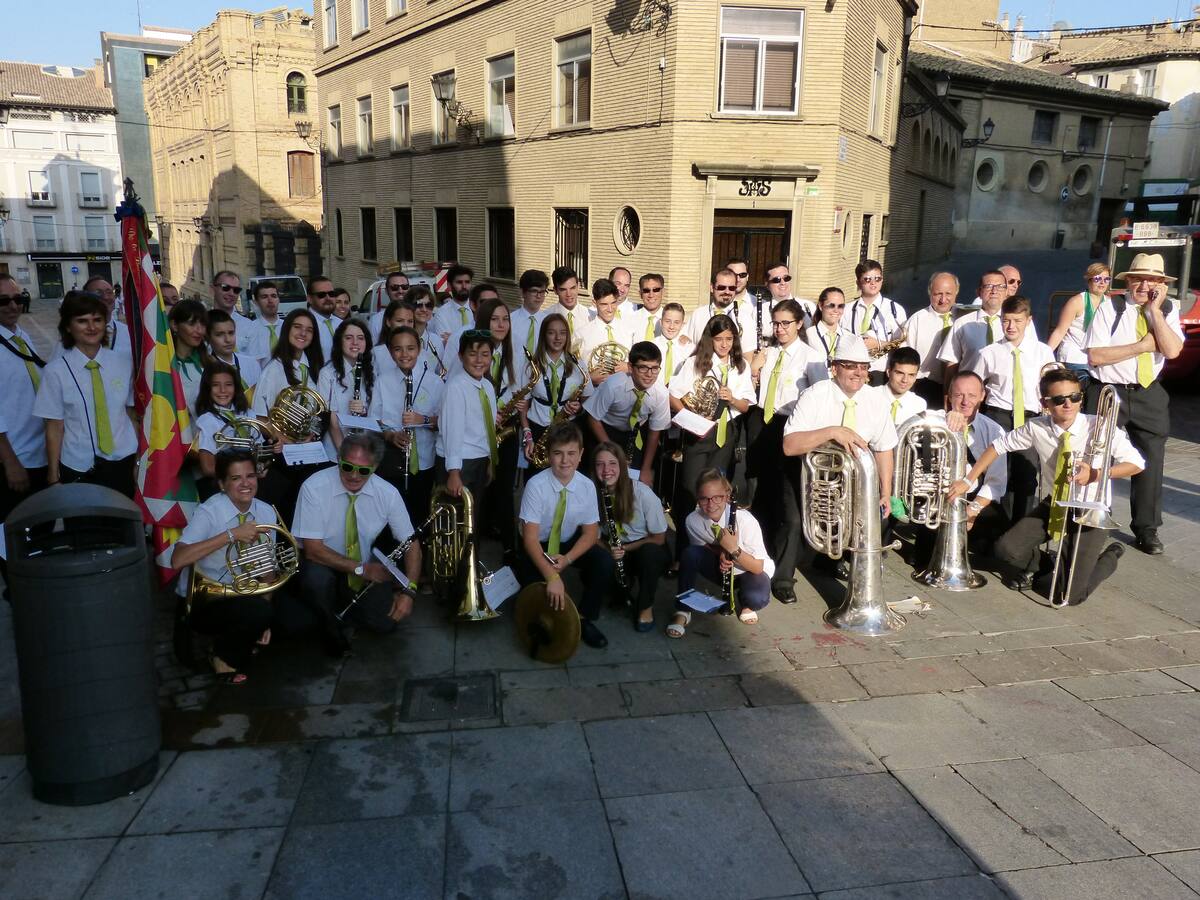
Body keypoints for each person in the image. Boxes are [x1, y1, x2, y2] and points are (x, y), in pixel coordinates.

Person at [948, 368, 1143, 602]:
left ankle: (1109, 558)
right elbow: (997, 447)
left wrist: (1096, 474)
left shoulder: (1100, 426)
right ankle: (1053, 568)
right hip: (1056, 504)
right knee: (1005, 550)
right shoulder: (1036, 427)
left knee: (1070, 596)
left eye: (1075, 397)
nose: (1068, 404)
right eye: (1059, 400)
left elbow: (1137, 464)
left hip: (1092, 507)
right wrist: (968, 479)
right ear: (1045, 403)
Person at [1085, 252, 1184, 555]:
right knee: (1097, 453)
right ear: (1128, 281)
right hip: (1109, 389)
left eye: (1151, 280)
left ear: (1161, 284)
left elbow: (1172, 350)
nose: (1144, 285)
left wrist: (1154, 312)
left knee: (1151, 460)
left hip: (1148, 391)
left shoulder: (1167, 309)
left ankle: (1147, 529)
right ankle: (1090, 516)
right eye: (1138, 279)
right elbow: (1096, 355)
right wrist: (1141, 346)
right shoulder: (1110, 307)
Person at [293, 432, 420, 655]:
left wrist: (409, 592)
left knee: (385, 623)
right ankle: (330, 627)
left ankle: (341, 609)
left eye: (363, 470)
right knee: (316, 580)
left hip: (362, 563)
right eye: (347, 467)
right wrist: (361, 569)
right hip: (322, 562)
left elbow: (411, 544)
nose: (353, 475)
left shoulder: (387, 493)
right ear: (338, 460)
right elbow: (313, 550)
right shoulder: (314, 487)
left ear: (375, 467)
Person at [783, 342, 897, 576]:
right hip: (811, 477)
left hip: (854, 481)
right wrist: (832, 431)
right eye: (850, 366)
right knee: (793, 523)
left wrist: (886, 492)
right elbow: (789, 445)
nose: (858, 373)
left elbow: (884, 448)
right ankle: (782, 578)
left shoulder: (876, 400)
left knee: (872, 518)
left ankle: (836, 563)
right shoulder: (814, 395)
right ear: (834, 369)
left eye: (863, 367)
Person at [170, 449, 277, 684]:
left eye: (250, 476)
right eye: (236, 478)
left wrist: (265, 618)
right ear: (221, 484)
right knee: (257, 614)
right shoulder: (209, 512)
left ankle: (240, 634)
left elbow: (267, 573)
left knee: (292, 621)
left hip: (241, 594)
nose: (245, 483)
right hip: (204, 600)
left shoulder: (266, 511)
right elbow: (178, 559)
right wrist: (231, 535)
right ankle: (221, 656)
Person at [747, 298, 819, 602]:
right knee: (761, 498)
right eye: (775, 323)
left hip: (791, 427)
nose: (779, 329)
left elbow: (820, 397)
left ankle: (785, 578)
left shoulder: (811, 357)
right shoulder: (769, 352)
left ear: (799, 324)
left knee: (790, 506)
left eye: (785, 323)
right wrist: (754, 370)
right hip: (762, 424)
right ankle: (761, 561)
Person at [516, 422, 613, 649]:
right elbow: (530, 539)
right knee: (534, 602)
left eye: (571, 453)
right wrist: (552, 577)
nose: (564, 461)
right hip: (538, 545)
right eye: (558, 453)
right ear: (549, 455)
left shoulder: (587, 486)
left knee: (604, 561)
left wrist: (567, 559)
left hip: (567, 541)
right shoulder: (535, 485)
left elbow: (590, 533)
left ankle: (584, 617)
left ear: (581, 455)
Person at [34, 290, 138, 498]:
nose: (91, 327)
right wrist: (53, 476)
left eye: (97, 320)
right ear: (68, 326)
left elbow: (131, 414)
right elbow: (54, 427)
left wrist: (138, 461)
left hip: (123, 462)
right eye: (82, 321)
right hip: (79, 465)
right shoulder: (55, 372)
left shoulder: (124, 364)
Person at [669, 314, 755, 543]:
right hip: (698, 434)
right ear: (710, 339)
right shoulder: (695, 363)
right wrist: (690, 419)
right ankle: (684, 548)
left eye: (729, 339)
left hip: (726, 433)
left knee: (716, 494)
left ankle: (715, 545)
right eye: (719, 339)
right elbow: (673, 395)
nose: (724, 344)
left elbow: (745, 406)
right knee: (690, 491)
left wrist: (732, 398)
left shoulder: (741, 366)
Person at [909, 372, 1007, 572]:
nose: (965, 401)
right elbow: (923, 467)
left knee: (995, 543)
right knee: (923, 560)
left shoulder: (994, 430)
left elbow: (996, 483)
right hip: (938, 499)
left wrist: (972, 512)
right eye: (959, 395)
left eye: (972, 395)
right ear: (949, 396)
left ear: (983, 396)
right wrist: (946, 427)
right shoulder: (932, 421)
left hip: (974, 501)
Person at [971, 295, 1056, 521]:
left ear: (1028, 320)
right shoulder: (989, 353)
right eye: (1006, 320)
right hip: (998, 416)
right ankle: (1000, 526)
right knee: (1000, 474)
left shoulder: (1043, 352)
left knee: (1026, 475)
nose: (1011, 326)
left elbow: (1052, 385)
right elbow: (974, 384)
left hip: (1030, 418)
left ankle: (1020, 527)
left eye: (1017, 321)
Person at [670, 468, 773, 637]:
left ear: (727, 496)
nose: (711, 504)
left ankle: (746, 602)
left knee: (756, 599)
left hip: (750, 569)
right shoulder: (692, 520)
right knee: (689, 554)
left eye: (717, 497)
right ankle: (683, 609)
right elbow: (703, 549)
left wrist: (733, 549)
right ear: (698, 498)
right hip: (723, 567)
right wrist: (722, 553)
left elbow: (757, 567)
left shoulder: (745, 520)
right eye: (704, 499)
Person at [0, 274, 48, 595]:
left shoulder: (20, 336)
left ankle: (33, 589)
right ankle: (17, 592)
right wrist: (10, 462)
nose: (13, 306)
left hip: (38, 453)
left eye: (18, 298)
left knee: (38, 530)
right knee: (12, 535)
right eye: (3, 301)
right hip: (14, 459)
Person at [592, 441, 670, 631]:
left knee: (650, 556)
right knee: (593, 565)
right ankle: (621, 588)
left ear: (622, 466)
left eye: (612, 463)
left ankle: (645, 607)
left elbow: (659, 538)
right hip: (614, 546)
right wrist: (609, 550)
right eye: (600, 464)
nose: (606, 470)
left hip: (645, 545)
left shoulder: (642, 494)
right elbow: (592, 536)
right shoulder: (591, 494)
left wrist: (625, 549)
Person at [373, 325, 442, 518]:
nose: (405, 354)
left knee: (420, 510)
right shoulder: (382, 382)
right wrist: (390, 435)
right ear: (390, 352)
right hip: (393, 461)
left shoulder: (435, 382)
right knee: (393, 511)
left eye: (410, 348)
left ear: (419, 349)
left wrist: (423, 419)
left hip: (425, 460)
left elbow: (444, 422)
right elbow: (375, 419)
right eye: (398, 349)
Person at [436, 330, 499, 526]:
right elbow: (452, 432)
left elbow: (486, 429)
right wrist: (454, 473)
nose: (479, 360)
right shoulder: (455, 387)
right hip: (458, 463)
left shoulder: (487, 386)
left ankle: (472, 548)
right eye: (472, 354)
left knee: (472, 520)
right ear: (460, 356)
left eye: (485, 354)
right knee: (454, 522)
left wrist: (489, 460)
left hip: (478, 459)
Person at [583, 340, 669, 477]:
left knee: (632, 476)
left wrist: (646, 469)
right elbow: (593, 418)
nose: (649, 374)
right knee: (601, 473)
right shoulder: (613, 385)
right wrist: (611, 449)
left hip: (634, 433)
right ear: (630, 367)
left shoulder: (661, 394)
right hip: (604, 428)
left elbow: (654, 433)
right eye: (643, 368)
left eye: (654, 368)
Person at [519, 313, 587, 473]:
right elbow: (523, 405)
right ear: (544, 335)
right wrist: (528, 435)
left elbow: (587, 399)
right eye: (551, 332)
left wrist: (579, 408)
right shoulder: (531, 366)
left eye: (562, 333)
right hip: (538, 430)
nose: (557, 338)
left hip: (568, 430)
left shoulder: (578, 365)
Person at [318, 318, 376, 460]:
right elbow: (331, 419)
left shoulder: (370, 372)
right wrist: (345, 454)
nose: (355, 342)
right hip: (336, 452)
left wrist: (364, 411)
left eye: (360, 338)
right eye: (348, 338)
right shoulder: (327, 373)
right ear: (340, 342)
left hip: (363, 450)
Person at [1048, 262, 1111, 389]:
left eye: (1106, 279)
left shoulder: (1110, 303)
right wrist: (1045, 357)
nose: (1102, 282)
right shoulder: (1076, 302)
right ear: (1089, 280)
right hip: (1074, 359)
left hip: (1097, 361)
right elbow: (1060, 331)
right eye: (1098, 279)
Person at [848, 259, 908, 386]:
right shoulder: (847, 310)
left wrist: (878, 344)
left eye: (877, 278)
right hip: (851, 372)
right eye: (867, 279)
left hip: (880, 374)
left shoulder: (895, 310)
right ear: (858, 282)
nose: (873, 283)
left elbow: (903, 347)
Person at [902, 271, 958, 407]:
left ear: (956, 292)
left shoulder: (963, 319)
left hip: (957, 387)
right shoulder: (917, 320)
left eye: (948, 294)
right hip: (924, 386)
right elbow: (905, 356)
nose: (943, 299)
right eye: (938, 294)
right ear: (930, 293)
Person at [939, 270, 1007, 381]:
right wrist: (948, 391)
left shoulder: (1016, 324)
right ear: (979, 292)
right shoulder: (962, 324)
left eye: (1000, 286)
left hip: (1001, 390)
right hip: (969, 389)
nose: (994, 291)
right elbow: (951, 364)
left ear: (1006, 292)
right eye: (988, 286)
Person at [577, 279, 634, 385]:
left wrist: (629, 367)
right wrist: (589, 378)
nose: (610, 309)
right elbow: (572, 373)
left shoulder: (629, 329)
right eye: (604, 304)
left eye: (613, 303)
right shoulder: (581, 334)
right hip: (594, 391)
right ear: (594, 303)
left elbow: (641, 364)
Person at [805, 287, 864, 381]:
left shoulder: (850, 337)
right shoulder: (808, 335)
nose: (836, 310)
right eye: (831, 306)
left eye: (840, 306)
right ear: (820, 306)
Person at [685, 268, 757, 344]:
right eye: (721, 287)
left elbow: (749, 350)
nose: (727, 292)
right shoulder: (698, 314)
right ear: (711, 288)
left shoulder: (744, 318)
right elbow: (686, 343)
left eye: (732, 288)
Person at [207, 309, 261, 400]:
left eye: (231, 333)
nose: (228, 339)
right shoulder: (206, 369)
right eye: (220, 334)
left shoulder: (251, 363)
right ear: (208, 337)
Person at [874, 347, 927, 424]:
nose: (905, 380)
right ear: (888, 372)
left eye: (911, 375)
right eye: (900, 373)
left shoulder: (919, 404)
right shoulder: (871, 396)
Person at [208, 271, 256, 355]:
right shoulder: (202, 324)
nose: (231, 293)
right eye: (225, 288)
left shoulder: (249, 326)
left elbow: (254, 360)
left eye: (236, 290)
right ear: (212, 289)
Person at [547, 266, 592, 348]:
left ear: (578, 286)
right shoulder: (546, 317)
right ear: (555, 290)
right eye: (563, 290)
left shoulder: (591, 316)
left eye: (572, 288)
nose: (569, 294)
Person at [763, 261, 816, 331]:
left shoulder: (808, 305)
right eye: (776, 280)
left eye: (786, 278)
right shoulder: (761, 310)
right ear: (767, 284)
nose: (782, 283)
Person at [370, 299, 416, 375]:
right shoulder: (376, 353)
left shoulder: (421, 353)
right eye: (400, 321)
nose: (406, 325)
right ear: (388, 322)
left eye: (410, 321)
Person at [512, 268, 550, 357]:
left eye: (542, 292)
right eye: (534, 291)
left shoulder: (549, 322)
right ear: (522, 292)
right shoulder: (510, 321)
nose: (539, 296)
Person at [244, 280, 283, 366]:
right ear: (256, 302)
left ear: (278, 299)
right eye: (264, 297)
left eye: (273, 296)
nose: (270, 300)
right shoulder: (249, 330)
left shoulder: (288, 327)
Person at [430, 263, 475, 338]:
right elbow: (445, 342)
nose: (464, 286)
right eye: (459, 282)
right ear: (449, 285)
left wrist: (452, 337)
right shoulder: (441, 313)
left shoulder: (478, 310)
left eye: (467, 282)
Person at [306, 276, 344, 361]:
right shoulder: (303, 326)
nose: (328, 298)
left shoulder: (341, 324)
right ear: (309, 299)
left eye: (331, 294)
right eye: (321, 295)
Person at [652, 302, 689, 389]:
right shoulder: (650, 346)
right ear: (661, 322)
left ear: (682, 325)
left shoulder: (689, 349)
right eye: (667, 321)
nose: (671, 327)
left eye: (676, 322)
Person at [368, 271, 411, 342]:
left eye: (404, 287)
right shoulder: (375, 321)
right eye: (395, 287)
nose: (400, 291)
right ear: (386, 291)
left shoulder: (418, 316)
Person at [632, 272, 668, 342]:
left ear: (663, 292)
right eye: (646, 290)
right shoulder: (630, 319)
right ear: (640, 294)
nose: (651, 295)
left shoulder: (672, 322)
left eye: (656, 290)